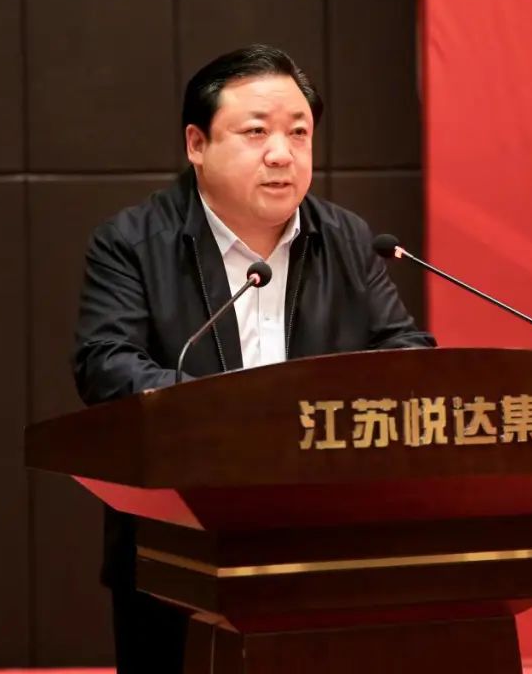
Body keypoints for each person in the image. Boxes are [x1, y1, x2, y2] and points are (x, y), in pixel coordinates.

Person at [72, 44, 435, 673]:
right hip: (179, 550)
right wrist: (244, 417)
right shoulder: (132, 243)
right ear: (197, 144)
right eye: (256, 132)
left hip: (330, 543)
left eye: (299, 133)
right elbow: (107, 366)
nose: (282, 154)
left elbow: (405, 354)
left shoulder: (348, 239)